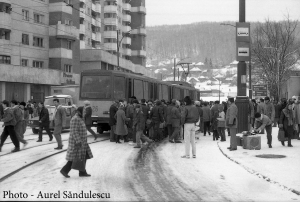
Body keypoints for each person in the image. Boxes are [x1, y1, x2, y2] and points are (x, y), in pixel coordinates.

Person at [60, 106, 93, 178]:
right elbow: (74, 131)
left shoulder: (81, 118)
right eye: (83, 111)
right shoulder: (75, 119)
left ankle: (82, 172)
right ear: (79, 112)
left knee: (83, 156)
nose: (85, 112)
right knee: (74, 158)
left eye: (85, 111)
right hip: (77, 142)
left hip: (83, 142)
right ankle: (64, 170)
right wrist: (78, 141)